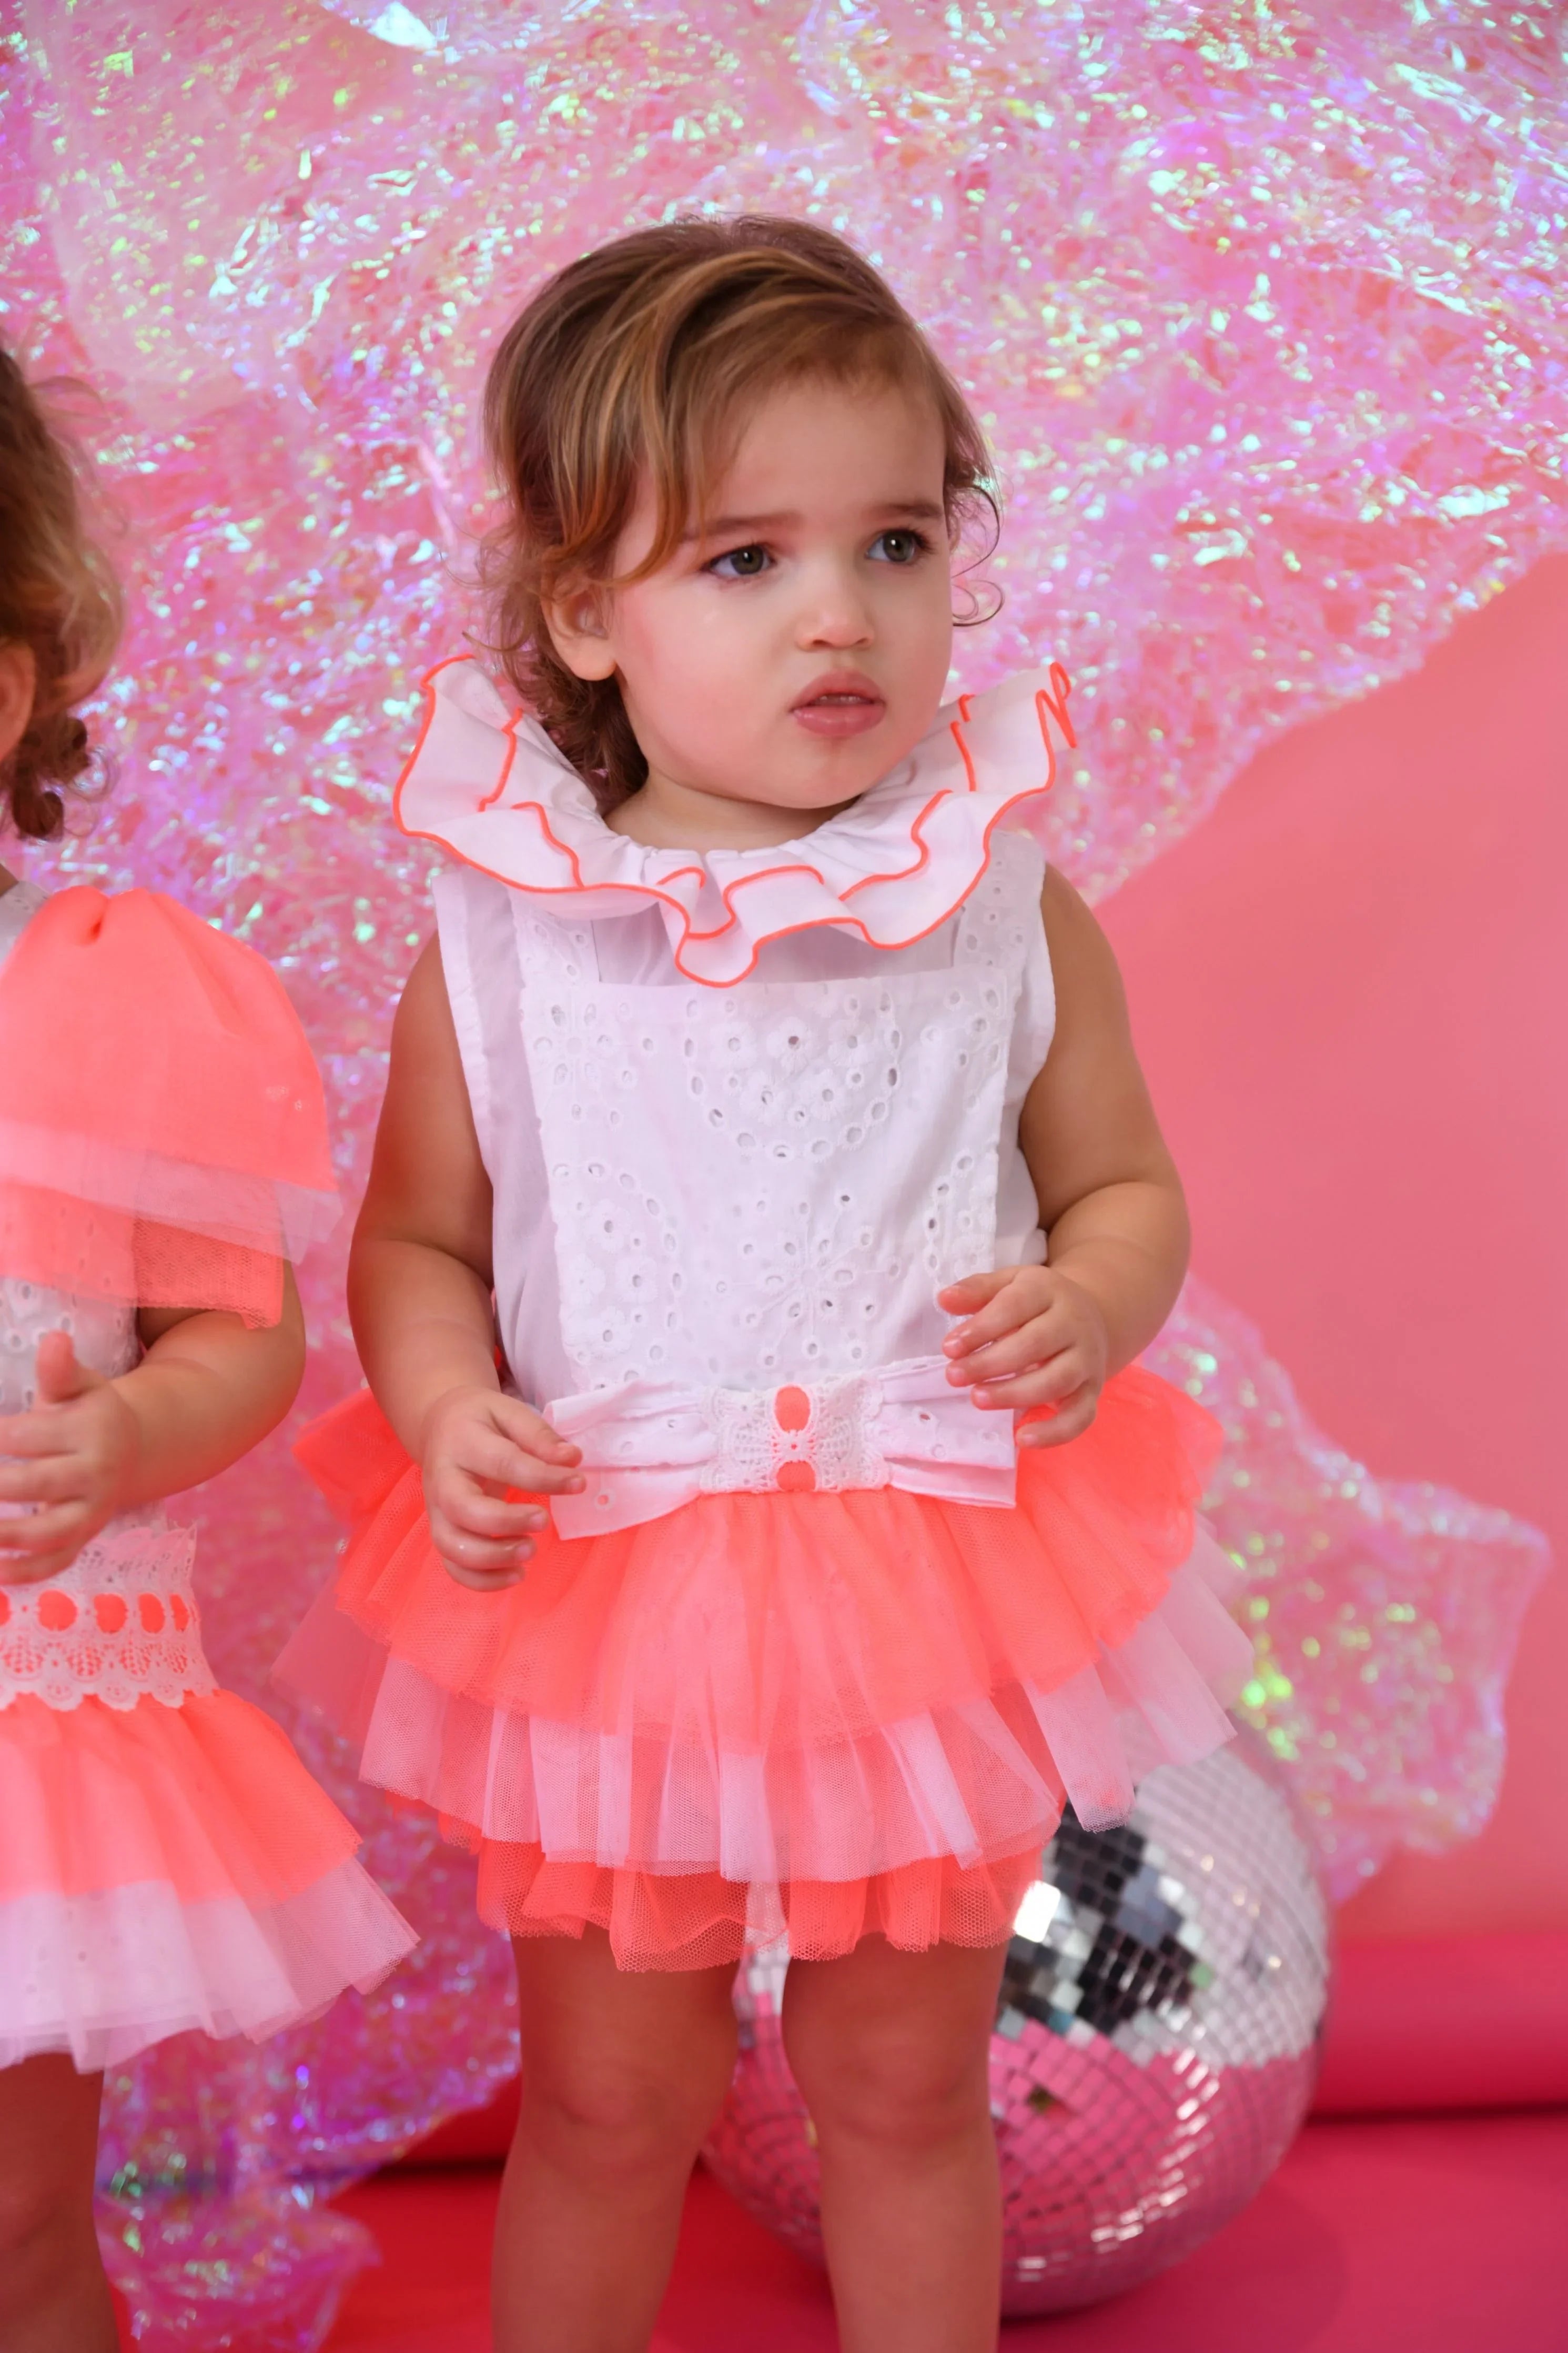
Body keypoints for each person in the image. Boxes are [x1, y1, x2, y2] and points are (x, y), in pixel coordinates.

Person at [281, 217, 1252, 2353]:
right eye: (742, 562)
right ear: (583, 615)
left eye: (894, 541)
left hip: (921, 1562)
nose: (841, 612)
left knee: (903, 2082)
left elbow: (1121, 1186)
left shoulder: (997, 902)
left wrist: (1089, 1304)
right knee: (612, 2096)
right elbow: (422, 1240)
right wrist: (444, 1402)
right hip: (614, 1572)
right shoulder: (511, 936)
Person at [0, 348, 416, 2353]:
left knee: (11, 2223)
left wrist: (128, 1437)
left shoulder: (98, 1002)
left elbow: (232, 1331)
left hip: (22, 1715)